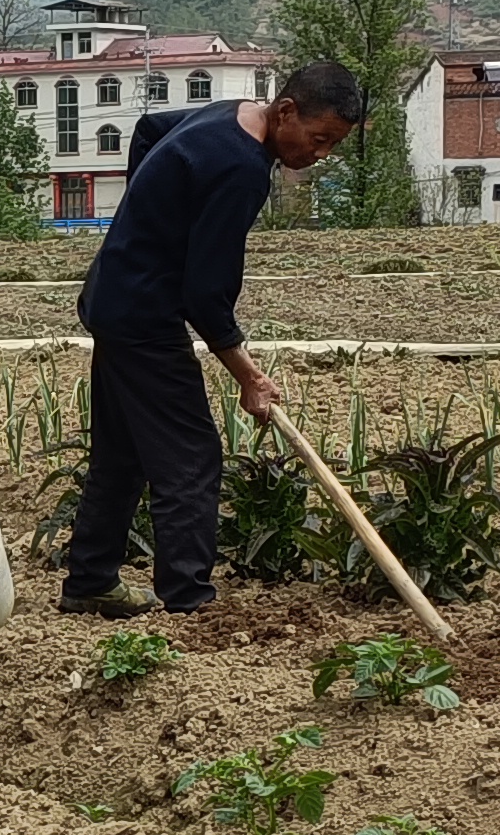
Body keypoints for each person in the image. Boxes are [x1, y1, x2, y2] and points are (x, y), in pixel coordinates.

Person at [56, 61, 367, 616]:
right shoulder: (241, 168)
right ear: (286, 111)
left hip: (114, 296)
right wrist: (249, 378)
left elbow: (149, 128)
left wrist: (146, 219)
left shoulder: (230, 114)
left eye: (333, 146)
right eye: (319, 139)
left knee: (122, 455)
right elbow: (206, 293)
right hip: (145, 319)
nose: (320, 155)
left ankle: (90, 580)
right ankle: (189, 599)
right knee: (190, 459)